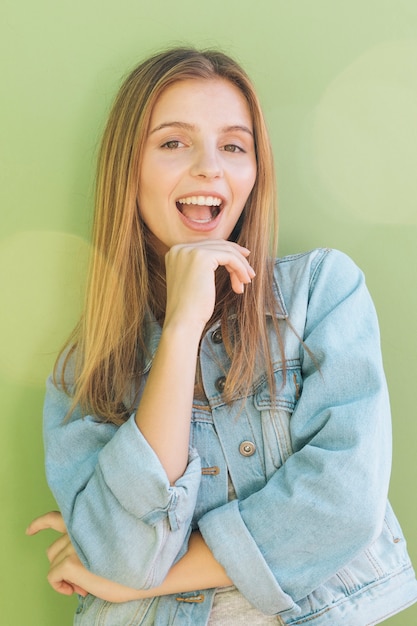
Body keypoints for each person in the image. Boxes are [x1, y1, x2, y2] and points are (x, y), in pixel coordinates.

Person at [27, 47, 417, 625]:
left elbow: (343, 504)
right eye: (173, 142)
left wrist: (142, 583)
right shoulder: (86, 369)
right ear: (127, 168)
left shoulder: (320, 292)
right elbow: (122, 556)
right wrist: (182, 327)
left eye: (234, 146)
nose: (211, 167)